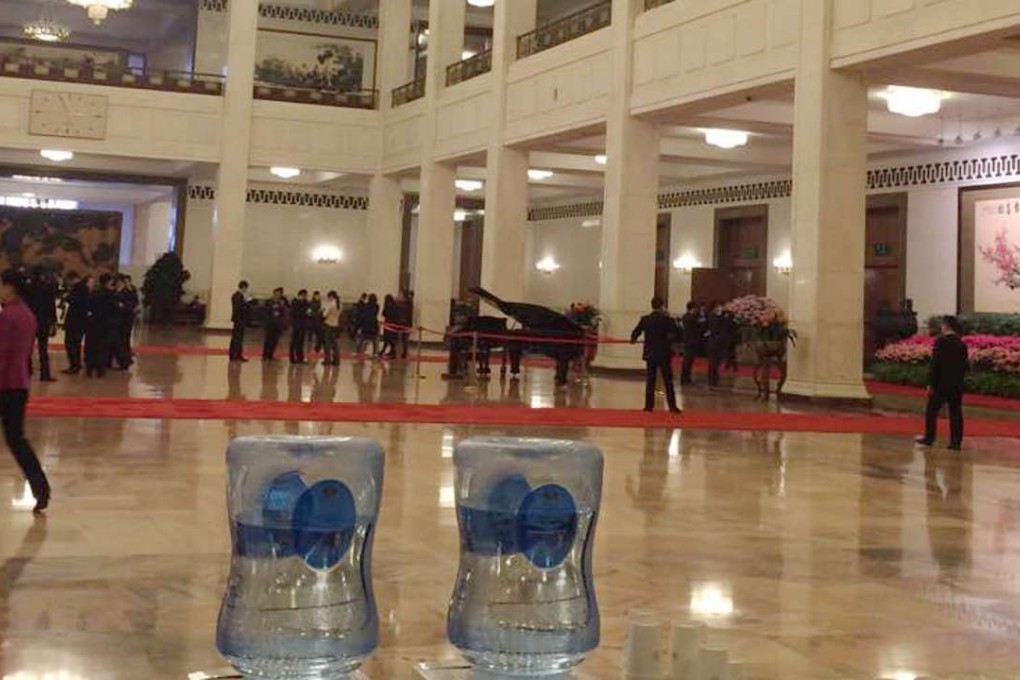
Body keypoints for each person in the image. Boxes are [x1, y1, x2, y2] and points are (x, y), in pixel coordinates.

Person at [0, 270, 50, 512]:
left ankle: (41, 488)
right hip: (19, 383)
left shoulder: (9, 315)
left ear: (11, 288)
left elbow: (2, 354)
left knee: (15, 440)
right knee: (17, 440)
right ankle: (41, 488)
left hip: (6, 385)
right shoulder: (27, 313)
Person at [917, 316, 969, 451]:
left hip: (941, 384)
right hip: (957, 384)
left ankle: (929, 437)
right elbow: (965, 366)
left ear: (946, 326)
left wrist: (931, 383)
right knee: (956, 412)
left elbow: (935, 365)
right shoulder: (961, 344)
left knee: (931, 410)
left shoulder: (940, 342)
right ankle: (956, 442)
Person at [631, 296, 681, 414]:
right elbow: (677, 334)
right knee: (668, 381)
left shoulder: (645, 319)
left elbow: (635, 333)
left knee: (651, 381)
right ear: (662, 306)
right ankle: (672, 407)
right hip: (664, 353)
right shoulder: (668, 320)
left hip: (650, 353)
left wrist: (633, 339)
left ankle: (648, 407)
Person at [26, 268, 57, 382]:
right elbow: (51, 306)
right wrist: (53, 322)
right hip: (43, 322)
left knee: (28, 349)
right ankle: (45, 374)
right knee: (43, 350)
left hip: (30, 322)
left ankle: (27, 371)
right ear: (42, 275)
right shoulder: (47, 288)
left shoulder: (28, 288)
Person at [85, 273, 117, 378]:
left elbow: (88, 306)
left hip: (93, 323)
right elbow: (114, 309)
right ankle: (100, 370)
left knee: (91, 347)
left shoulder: (94, 293)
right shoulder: (110, 295)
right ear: (108, 282)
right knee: (102, 348)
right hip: (105, 324)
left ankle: (89, 368)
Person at [62, 272, 90, 375]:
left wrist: (67, 297)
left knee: (71, 343)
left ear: (72, 279)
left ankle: (75, 365)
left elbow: (78, 301)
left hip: (76, 321)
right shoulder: (82, 288)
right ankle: (75, 364)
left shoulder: (80, 288)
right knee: (74, 344)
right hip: (78, 321)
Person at [706, 302, 734, 387]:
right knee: (713, 362)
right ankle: (712, 380)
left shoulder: (721, 317)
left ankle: (714, 379)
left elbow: (728, 323)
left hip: (719, 342)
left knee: (717, 362)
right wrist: (723, 316)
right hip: (714, 342)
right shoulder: (712, 317)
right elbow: (717, 325)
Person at [679, 302, 706, 385]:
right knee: (688, 360)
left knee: (689, 360)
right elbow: (698, 326)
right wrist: (702, 320)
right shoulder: (691, 317)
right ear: (693, 308)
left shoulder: (685, 316)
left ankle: (686, 378)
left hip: (688, 340)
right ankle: (685, 378)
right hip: (691, 341)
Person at [262, 287, 288, 361]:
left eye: (279, 294)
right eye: (276, 294)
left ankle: (270, 355)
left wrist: (282, 306)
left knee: (274, 341)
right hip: (269, 325)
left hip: (277, 325)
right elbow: (265, 312)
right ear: (273, 294)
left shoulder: (281, 303)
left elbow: (284, 313)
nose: (277, 296)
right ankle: (265, 355)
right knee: (268, 340)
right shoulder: (268, 302)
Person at [119, 274, 139, 366]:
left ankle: (127, 350)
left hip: (130, 314)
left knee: (128, 334)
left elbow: (136, 300)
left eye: (128, 281)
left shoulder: (133, 289)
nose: (127, 283)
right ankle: (124, 352)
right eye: (125, 281)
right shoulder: (122, 291)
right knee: (123, 335)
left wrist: (134, 307)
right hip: (123, 315)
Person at [229, 281, 251, 362]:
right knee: (236, 338)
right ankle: (233, 355)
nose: (246, 290)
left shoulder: (240, 296)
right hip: (239, 320)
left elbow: (249, 304)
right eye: (246, 288)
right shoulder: (237, 296)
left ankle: (237, 354)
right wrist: (246, 301)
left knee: (239, 338)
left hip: (241, 320)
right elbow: (240, 308)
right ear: (243, 287)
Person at [289, 289, 310, 364]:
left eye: (305, 296)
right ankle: (292, 358)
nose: (305, 297)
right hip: (296, 325)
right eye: (303, 295)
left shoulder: (306, 302)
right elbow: (294, 313)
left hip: (303, 325)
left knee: (301, 342)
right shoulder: (295, 302)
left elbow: (308, 311)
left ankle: (300, 358)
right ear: (300, 295)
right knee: (294, 342)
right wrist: (304, 312)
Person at [322, 290, 342, 366]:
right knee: (335, 344)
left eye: (328, 297)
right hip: (335, 324)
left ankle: (327, 360)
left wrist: (323, 311)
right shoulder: (340, 304)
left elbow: (324, 315)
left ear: (331, 296)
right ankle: (336, 360)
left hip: (328, 324)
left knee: (327, 344)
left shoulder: (331, 304)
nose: (328, 299)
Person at [379, 294, 399, 359]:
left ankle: (384, 351)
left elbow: (383, 313)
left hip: (388, 324)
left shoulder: (387, 306)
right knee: (390, 340)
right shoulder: (395, 306)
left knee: (387, 339)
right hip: (393, 325)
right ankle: (392, 351)